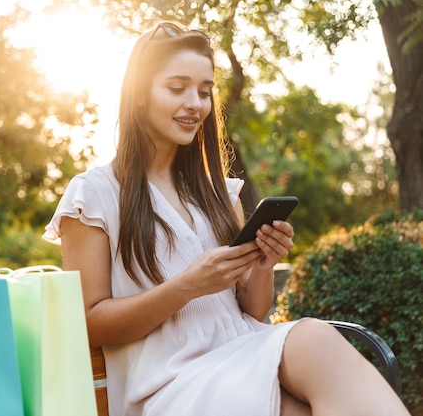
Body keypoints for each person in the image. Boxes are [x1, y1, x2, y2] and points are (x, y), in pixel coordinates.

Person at [43, 21, 410, 416]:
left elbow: (250, 311)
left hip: (242, 351)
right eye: (177, 87)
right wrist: (187, 286)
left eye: (204, 91)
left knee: (314, 341)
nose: (195, 104)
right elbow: (91, 323)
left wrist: (264, 266)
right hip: (172, 382)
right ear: (137, 95)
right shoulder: (93, 195)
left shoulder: (219, 192)